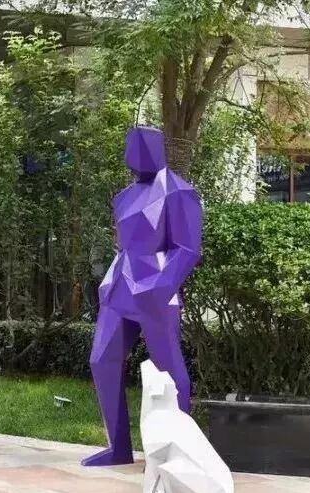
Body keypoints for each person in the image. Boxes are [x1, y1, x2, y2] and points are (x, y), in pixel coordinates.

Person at [83, 126, 203, 467]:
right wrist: (109, 281)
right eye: (130, 148)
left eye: (141, 147)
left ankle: (178, 452)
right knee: (101, 360)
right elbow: (124, 245)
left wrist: (161, 288)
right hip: (120, 286)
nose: (134, 155)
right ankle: (118, 447)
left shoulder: (179, 191)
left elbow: (187, 248)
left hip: (155, 288)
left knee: (168, 366)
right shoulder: (124, 197)